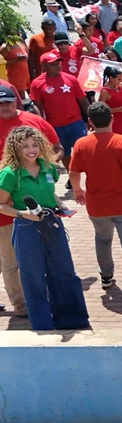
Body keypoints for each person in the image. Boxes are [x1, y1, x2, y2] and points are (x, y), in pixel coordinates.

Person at [0, 126, 89, 330]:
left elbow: (49, 191)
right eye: (25, 146)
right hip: (26, 227)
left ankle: (72, 320)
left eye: (35, 145)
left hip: (52, 222)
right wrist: (25, 214)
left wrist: (60, 203)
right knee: (33, 277)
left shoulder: (48, 168)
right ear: (15, 149)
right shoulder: (9, 174)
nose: (31, 150)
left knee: (65, 271)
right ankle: (43, 324)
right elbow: (1, 205)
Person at [67, 102, 122, 308]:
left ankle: (106, 276)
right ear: (111, 119)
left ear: (90, 122)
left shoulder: (81, 144)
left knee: (103, 240)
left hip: (97, 205)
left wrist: (77, 190)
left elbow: (73, 172)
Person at [0, 86, 59, 317]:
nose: (4, 106)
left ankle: (41, 298)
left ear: (16, 101)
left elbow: (56, 148)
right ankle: (22, 304)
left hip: (37, 206)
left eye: (7, 102)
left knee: (39, 256)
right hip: (6, 208)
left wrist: (45, 168)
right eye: (0, 103)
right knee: (10, 259)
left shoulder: (34, 121)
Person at [29, 51, 89, 170]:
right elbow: (38, 107)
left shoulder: (71, 79)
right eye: (53, 64)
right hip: (55, 126)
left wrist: (90, 118)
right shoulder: (37, 84)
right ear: (44, 67)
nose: (58, 65)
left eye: (58, 62)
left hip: (75, 122)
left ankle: (89, 175)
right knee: (64, 154)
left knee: (84, 151)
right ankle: (72, 175)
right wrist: (41, 127)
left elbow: (83, 100)